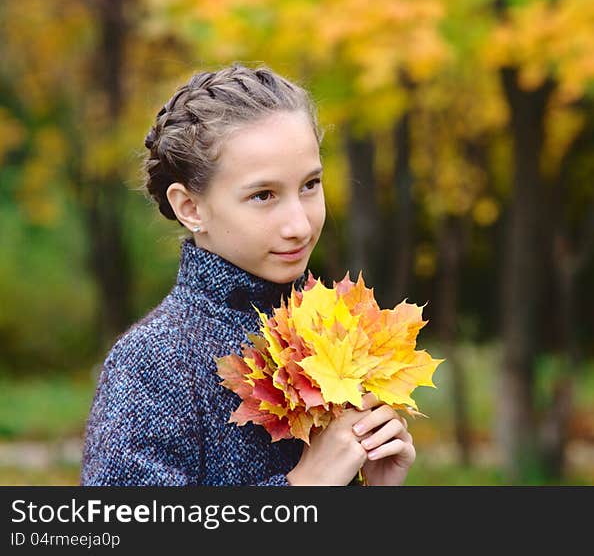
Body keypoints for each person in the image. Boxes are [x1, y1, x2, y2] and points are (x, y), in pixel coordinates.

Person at [80, 63, 416, 486]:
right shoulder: (156, 360)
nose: (299, 224)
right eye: (263, 195)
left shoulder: (338, 333)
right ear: (190, 207)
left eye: (310, 185)